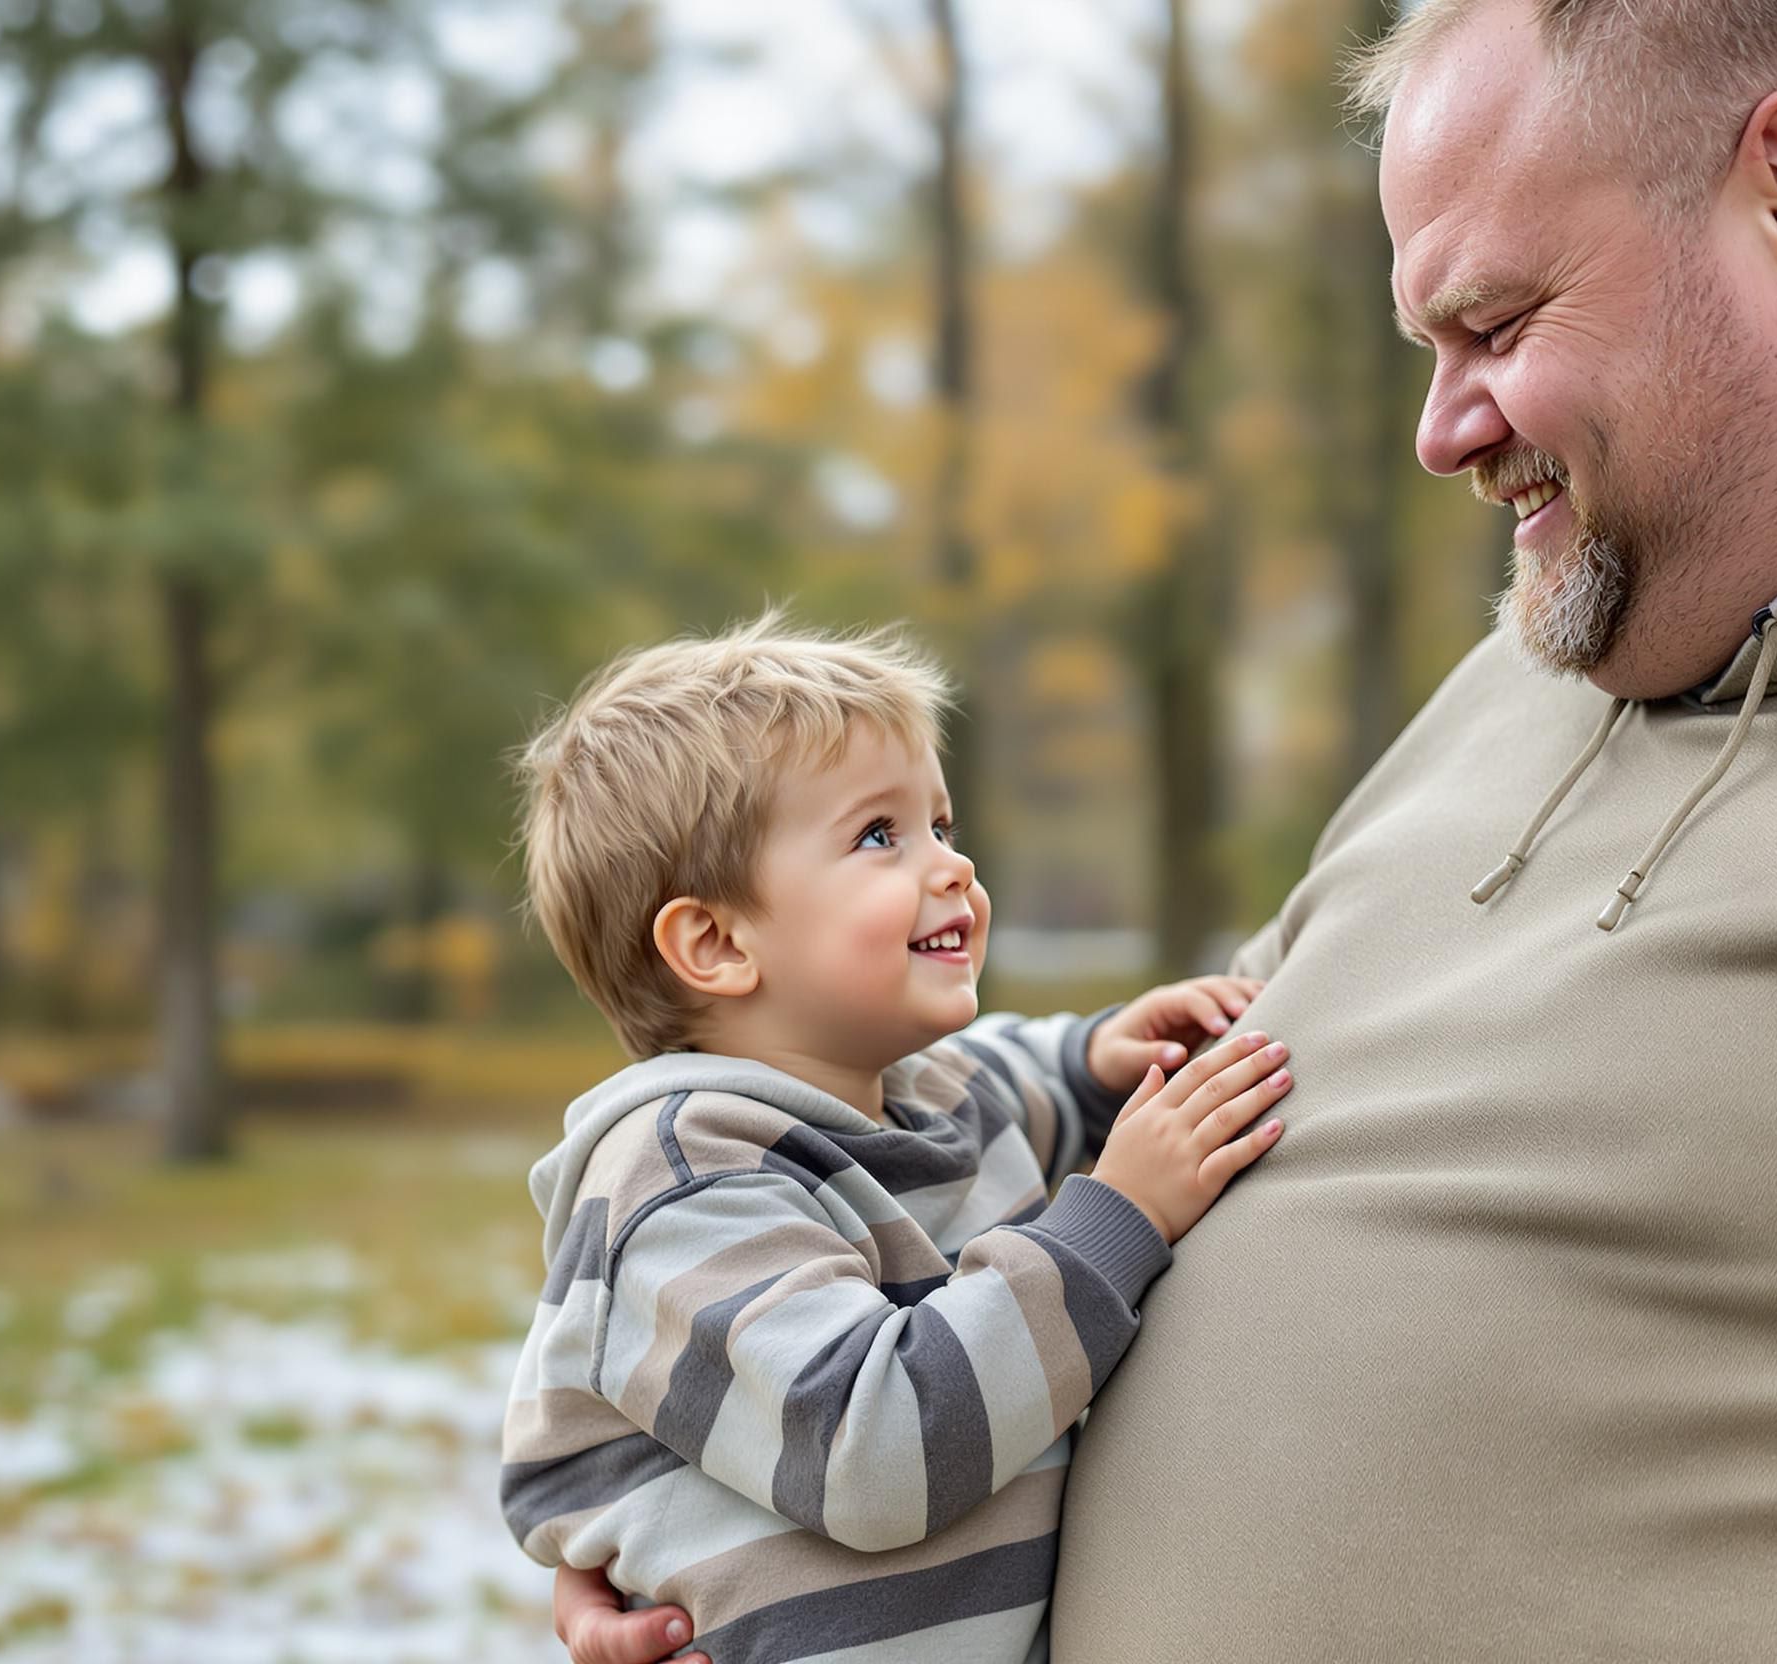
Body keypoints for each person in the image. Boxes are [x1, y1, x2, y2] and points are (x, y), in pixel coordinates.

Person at [553, 0, 1777, 1658]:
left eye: (1497, 324)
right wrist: (715, 1515)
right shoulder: (1572, 622)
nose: (1444, 426)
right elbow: (1140, 1142)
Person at [500, 616, 1293, 1664]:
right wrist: (1119, 1218)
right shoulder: (683, 1177)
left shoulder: (918, 1093)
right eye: (882, 835)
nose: (953, 866)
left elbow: (1011, 1076)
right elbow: (875, 1446)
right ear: (719, 942)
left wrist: (1096, 1056)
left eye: (941, 822)